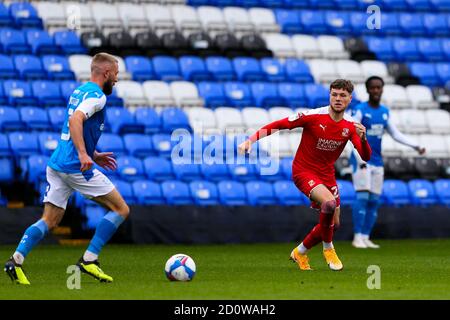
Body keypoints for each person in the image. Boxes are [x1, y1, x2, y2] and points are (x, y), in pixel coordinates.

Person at [4, 53, 129, 285]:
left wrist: (93, 153)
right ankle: (89, 259)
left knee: (50, 220)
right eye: (116, 74)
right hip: (74, 166)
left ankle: (15, 260)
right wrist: (83, 155)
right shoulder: (98, 97)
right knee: (120, 209)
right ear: (107, 73)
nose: (117, 80)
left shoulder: (79, 91)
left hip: (57, 163)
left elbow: (75, 126)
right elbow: (75, 121)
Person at [238, 79, 372, 271]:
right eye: (334, 94)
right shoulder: (313, 116)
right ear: (329, 96)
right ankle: (328, 248)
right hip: (304, 170)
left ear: (350, 99)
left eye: (343, 95)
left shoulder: (351, 126)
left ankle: (299, 252)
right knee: (329, 204)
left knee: (334, 224)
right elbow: (279, 124)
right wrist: (251, 140)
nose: (338, 99)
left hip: (326, 174)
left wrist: (364, 138)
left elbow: (366, 156)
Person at [350, 76, 425, 249]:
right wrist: (360, 159)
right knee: (362, 197)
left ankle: (365, 236)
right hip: (362, 159)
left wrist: (416, 146)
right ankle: (356, 237)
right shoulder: (360, 110)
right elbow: (352, 135)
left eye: (379, 87)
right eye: (373, 88)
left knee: (374, 200)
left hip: (377, 160)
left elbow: (395, 134)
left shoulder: (384, 111)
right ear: (368, 90)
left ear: (382, 89)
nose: (376, 91)